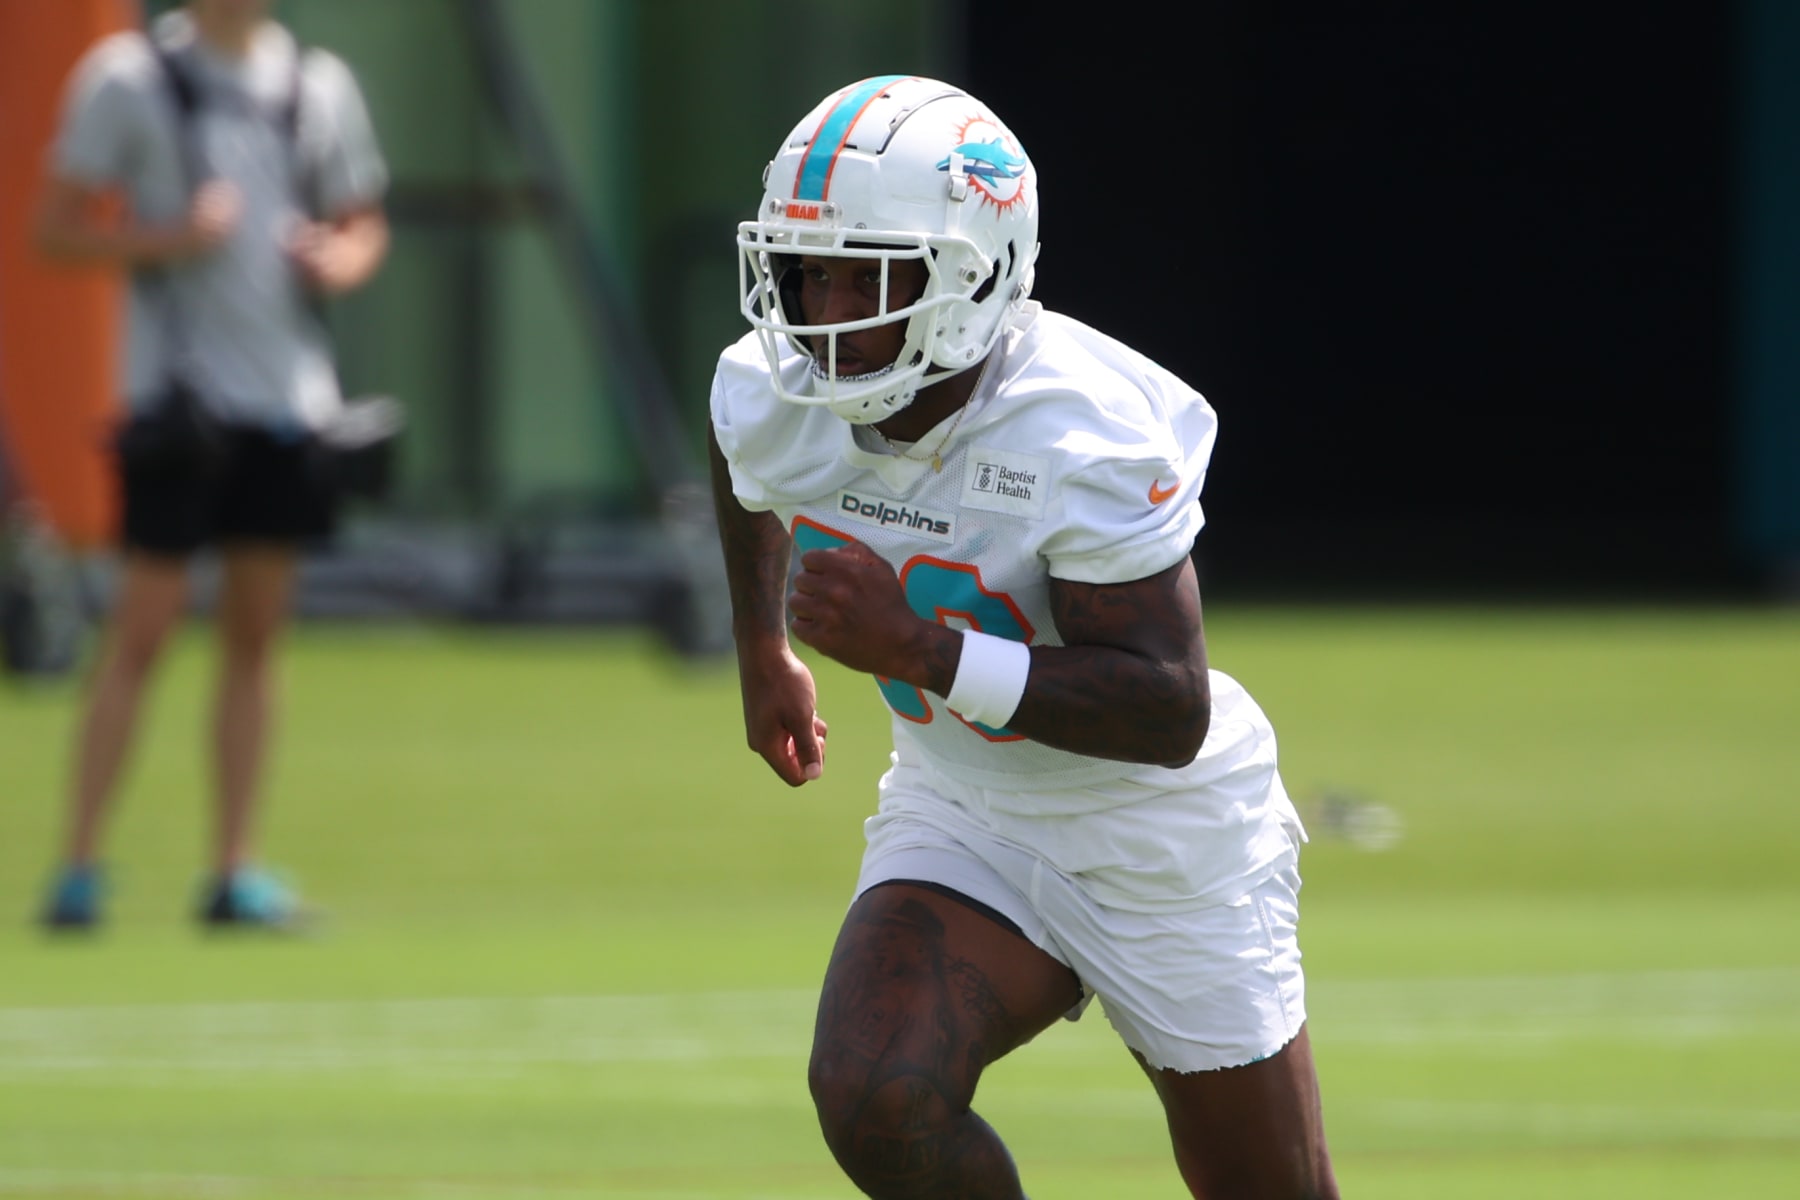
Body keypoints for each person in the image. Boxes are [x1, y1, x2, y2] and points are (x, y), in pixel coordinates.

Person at [708, 76, 1338, 1198]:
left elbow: (1166, 709)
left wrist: (924, 654)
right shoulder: (778, 388)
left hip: (1160, 834)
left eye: (871, 274)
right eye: (808, 269)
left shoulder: (1078, 425)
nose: (825, 309)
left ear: (971, 273)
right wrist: (765, 647)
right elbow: (742, 461)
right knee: (874, 1093)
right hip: (968, 806)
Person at [32, 0, 389, 930]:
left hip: (285, 403)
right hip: (175, 406)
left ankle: (233, 871)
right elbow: (54, 227)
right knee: (141, 629)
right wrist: (168, 238)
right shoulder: (127, 77)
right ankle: (77, 868)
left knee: (257, 636)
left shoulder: (318, 83)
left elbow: (363, 225)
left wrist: (335, 260)